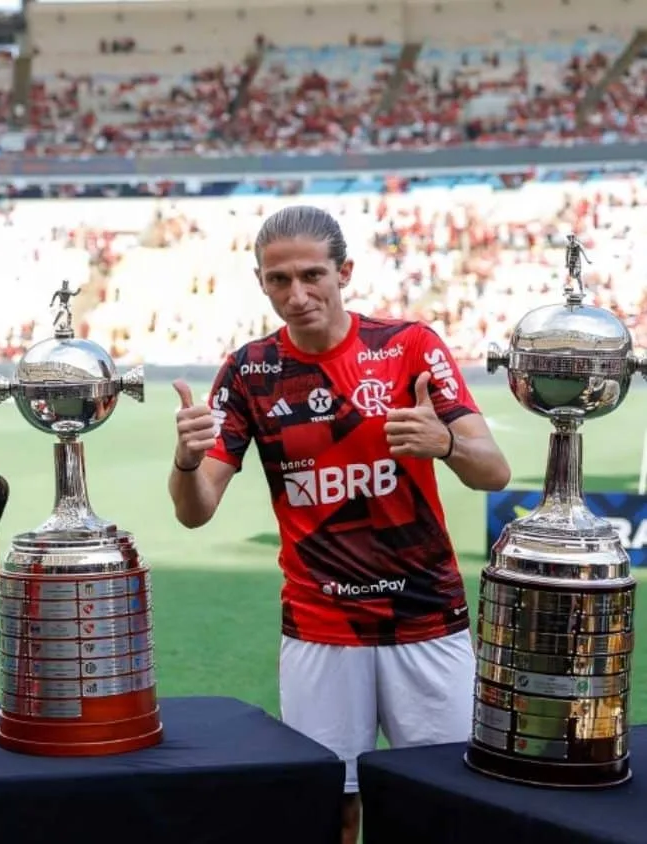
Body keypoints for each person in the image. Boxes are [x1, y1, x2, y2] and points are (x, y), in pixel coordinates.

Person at [166, 205, 511, 844]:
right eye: (278, 281)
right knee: (331, 806)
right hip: (322, 629)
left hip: (426, 619)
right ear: (261, 283)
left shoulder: (409, 346)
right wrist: (186, 462)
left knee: (449, 801)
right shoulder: (249, 372)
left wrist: (445, 444)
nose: (297, 296)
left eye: (311, 275)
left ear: (344, 271)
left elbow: (493, 471)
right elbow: (195, 510)